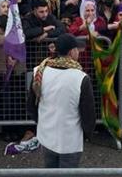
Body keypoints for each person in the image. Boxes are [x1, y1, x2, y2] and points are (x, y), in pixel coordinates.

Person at [28, 33, 95, 168]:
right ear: (71, 52)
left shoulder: (39, 71)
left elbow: (31, 105)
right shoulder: (81, 78)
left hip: (46, 135)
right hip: (70, 139)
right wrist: (87, 134)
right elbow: (88, 113)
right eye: (77, 49)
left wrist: (40, 123)